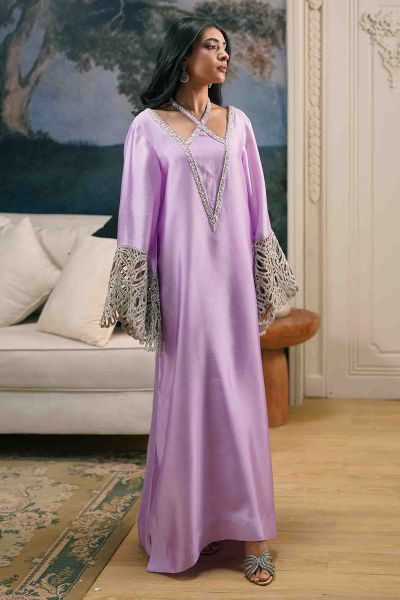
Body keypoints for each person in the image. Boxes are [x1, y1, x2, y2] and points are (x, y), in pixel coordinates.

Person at [100, 15, 298, 586]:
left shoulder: (239, 124)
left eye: (225, 47)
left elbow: (257, 211)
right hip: (183, 286)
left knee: (240, 402)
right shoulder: (148, 127)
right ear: (185, 56)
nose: (224, 54)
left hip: (232, 285)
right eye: (212, 46)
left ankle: (255, 533)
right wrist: (137, 289)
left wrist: (263, 279)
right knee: (186, 403)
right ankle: (188, 528)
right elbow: (137, 215)